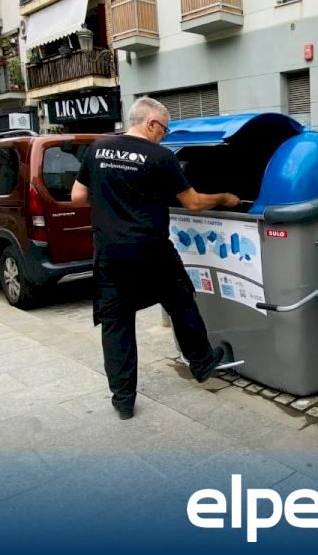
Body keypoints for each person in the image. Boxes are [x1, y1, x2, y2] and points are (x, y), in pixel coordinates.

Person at [72, 97, 241, 420]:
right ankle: (202, 362)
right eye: (164, 129)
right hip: (151, 249)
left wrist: (111, 201)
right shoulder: (160, 157)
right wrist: (223, 197)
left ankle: (123, 400)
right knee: (181, 300)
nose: (165, 136)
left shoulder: (97, 148)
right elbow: (193, 203)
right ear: (151, 124)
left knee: (116, 324)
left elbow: (78, 195)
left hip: (110, 252)